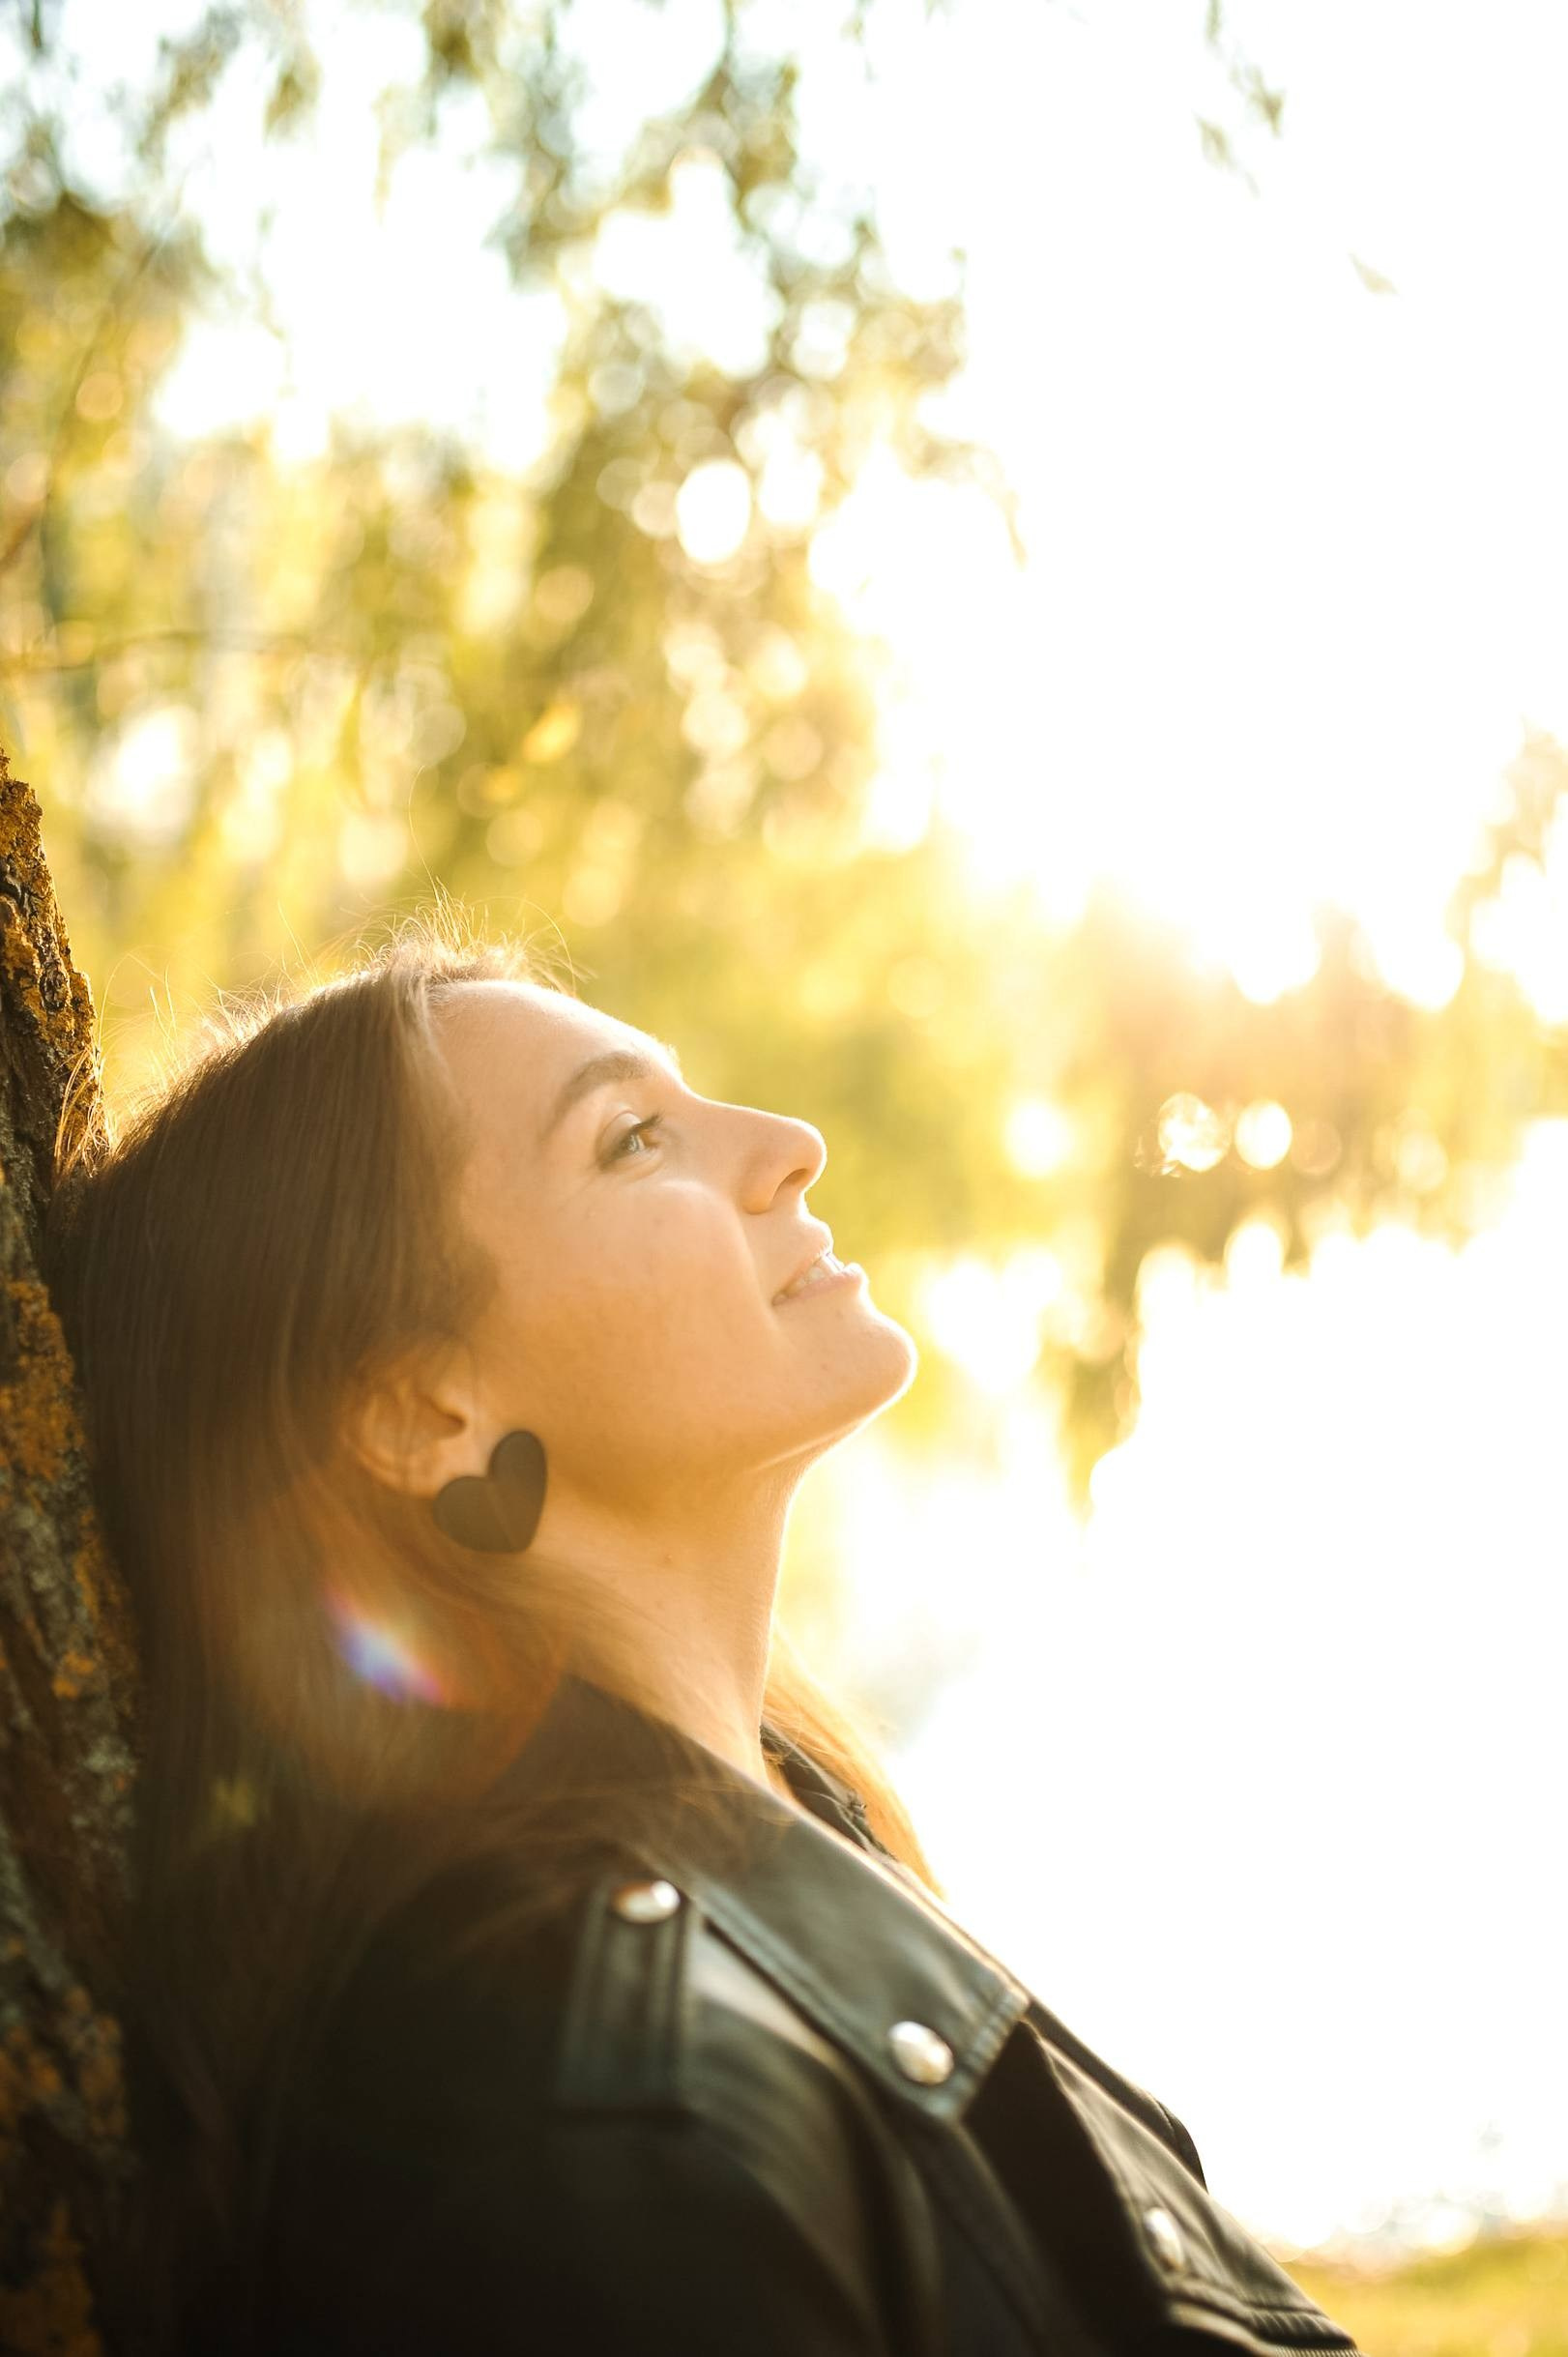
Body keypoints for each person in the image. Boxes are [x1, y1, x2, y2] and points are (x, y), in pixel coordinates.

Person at [41, 908, 1365, 2356]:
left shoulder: (794, 1829)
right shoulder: (585, 2121)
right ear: (426, 1411)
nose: (789, 1143)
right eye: (631, 1139)